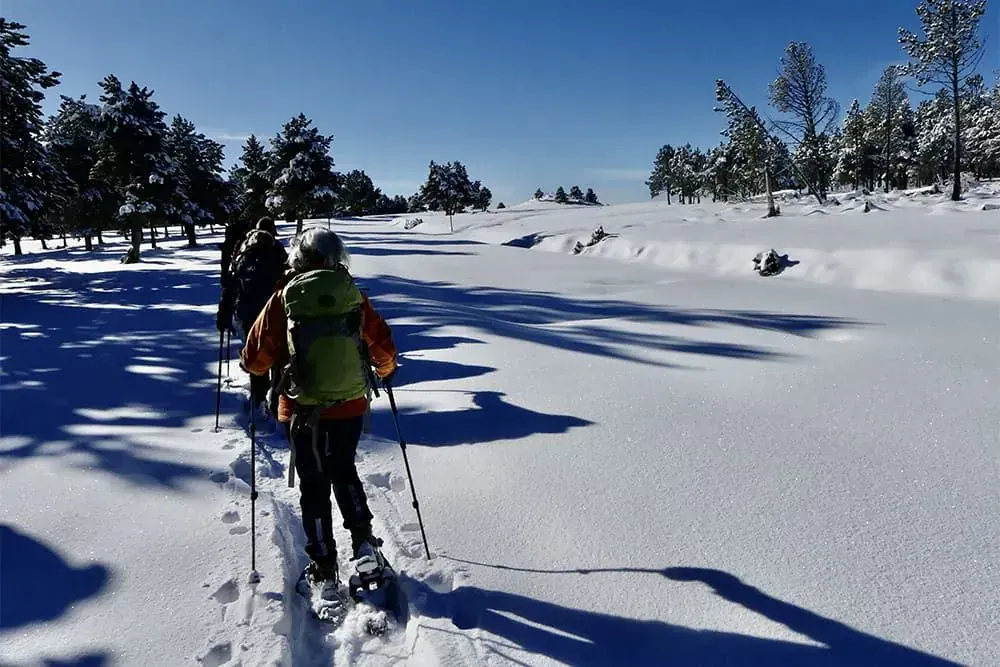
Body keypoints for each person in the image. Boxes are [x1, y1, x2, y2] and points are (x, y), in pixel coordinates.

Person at [239, 228, 398, 590]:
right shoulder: (351, 294)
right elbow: (383, 348)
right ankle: (364, 545)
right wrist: (386, 372)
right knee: (343, 470)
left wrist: (263, 365)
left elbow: (254, 360)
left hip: (301, 410)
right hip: (350, 406)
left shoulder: (284, 297)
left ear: (299, 256)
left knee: (313, 484)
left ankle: (324, 567)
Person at [218, 217, 288, 411]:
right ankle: (276, 397)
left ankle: (258, 395)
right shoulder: (278, 254)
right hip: (275, 313)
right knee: (279, 355)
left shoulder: (244, 257)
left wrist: (223, 316)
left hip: (247, 313)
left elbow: (231, 290)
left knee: (255, 351)